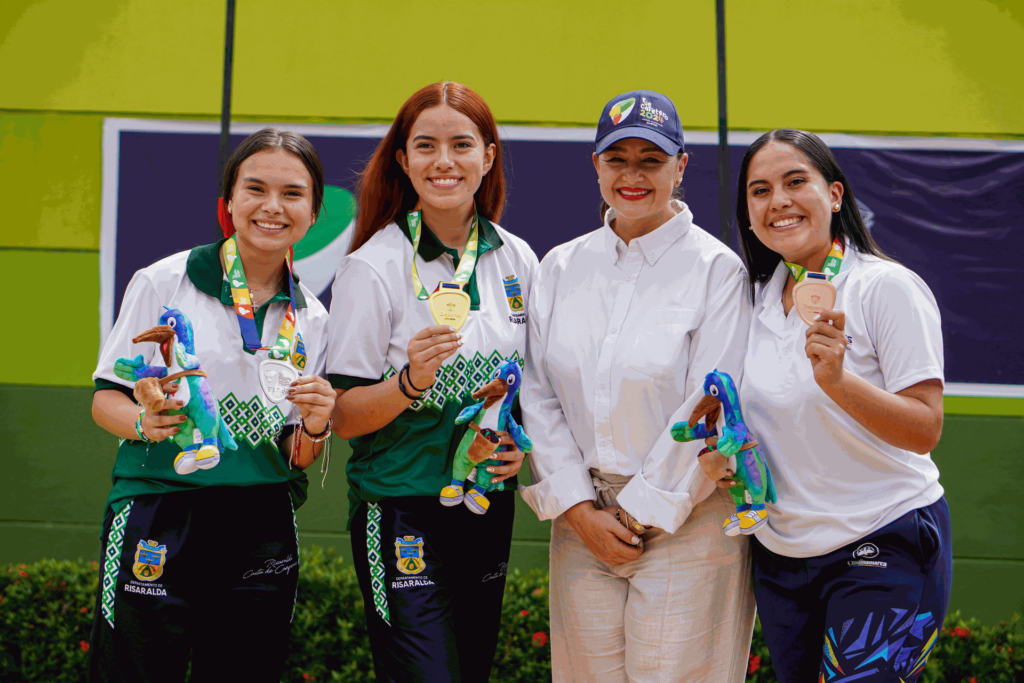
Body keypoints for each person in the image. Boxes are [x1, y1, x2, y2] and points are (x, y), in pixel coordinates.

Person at [519, 90, 756, 682]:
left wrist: (633, 518)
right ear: (595, 166)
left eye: (650, 160)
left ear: (680, 166)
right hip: (584, 522)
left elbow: (710, 404)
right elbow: (539, 395)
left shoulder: (718, 271)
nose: (632, 175)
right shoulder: (561, 267)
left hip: (688, 518)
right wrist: (578, 510)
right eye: (616, 158)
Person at [88, 129, 335, 682]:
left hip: (260, 518)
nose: (273, 207)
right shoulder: (164, 282)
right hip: (160, 508)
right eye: (256, 189)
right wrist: (146, 423)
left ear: (314, 212)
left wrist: (318, 426)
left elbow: (296, 452)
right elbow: (107, 399)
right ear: (228, 203)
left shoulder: (314, 318)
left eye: (293, 194)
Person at [327, 81, 539, 683]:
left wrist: (518, 447)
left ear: (488, 156)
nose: (444, 161)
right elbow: (341, 417)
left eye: (461, 144)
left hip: (484, 506)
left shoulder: (519, 260)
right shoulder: (372, 267)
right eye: (426, 145)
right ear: (403, 159)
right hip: (399, 508)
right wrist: (410, 382)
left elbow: (536, 392)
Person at [736, 129, 951, 682]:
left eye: (794, 181)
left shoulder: (886, 288)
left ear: (834, 195)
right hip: (782, 556)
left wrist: (837, 381)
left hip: (882, 540)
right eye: (760, 190)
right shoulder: (757, 299)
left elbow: (925, 429)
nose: (778, 201)